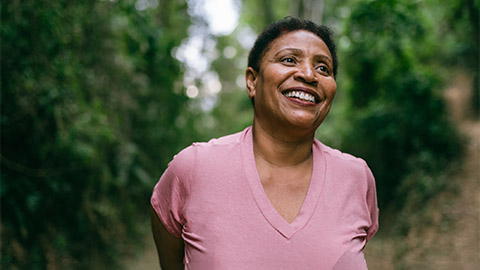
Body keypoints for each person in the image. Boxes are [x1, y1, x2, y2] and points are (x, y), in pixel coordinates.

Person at [151, 17, 379, 270]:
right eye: (289, 60)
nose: (308, 74)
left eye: (323, 68)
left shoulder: (356, 177)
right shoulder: (193, 168)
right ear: (252, 81)